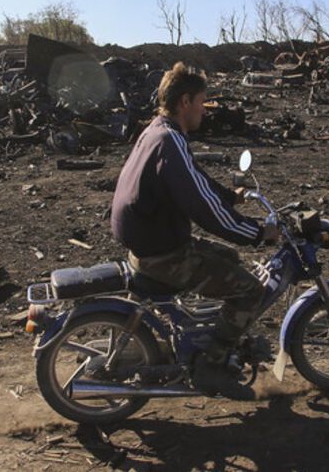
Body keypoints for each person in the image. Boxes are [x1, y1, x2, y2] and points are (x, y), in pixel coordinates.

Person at [110, 62, 278, 398]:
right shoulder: (169, 141)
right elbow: (204, 209)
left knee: (229, 258)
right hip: (163, 253)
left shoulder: (158, 131)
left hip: (151, 241)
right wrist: (258, 233)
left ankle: (207, 338)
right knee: (250, 291)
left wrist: (230, 196)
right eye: (202, 101)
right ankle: (211, 367)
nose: (205, 109)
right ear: (185, 102)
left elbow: (195, 179)